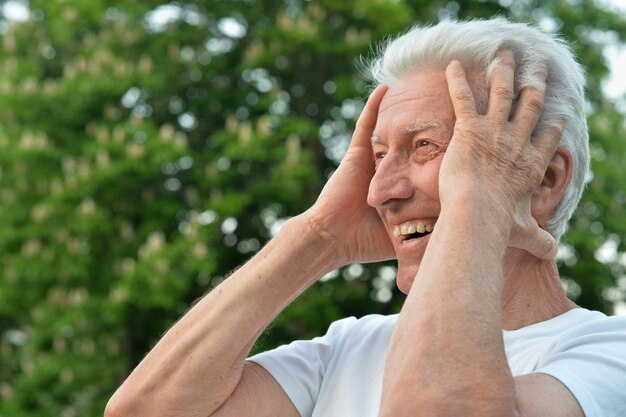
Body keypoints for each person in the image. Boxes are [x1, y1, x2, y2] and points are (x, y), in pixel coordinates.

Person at [105, 18, 626, 417]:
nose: (380, 191)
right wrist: (319, 235)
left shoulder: (608, 354)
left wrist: (479, 201)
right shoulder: (349, 347)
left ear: (546, 179)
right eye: (379, 157)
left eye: (425, 146)